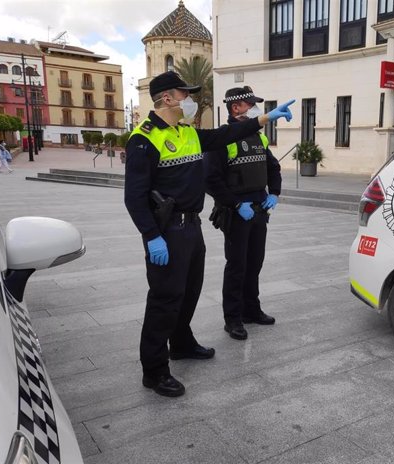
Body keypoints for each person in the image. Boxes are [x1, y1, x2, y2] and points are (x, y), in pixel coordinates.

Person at [124, 71, 294, 397]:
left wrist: (266, 118)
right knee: (164, 300)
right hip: (167, 231)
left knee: (189, 292)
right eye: (184, 94)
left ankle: (182, 344)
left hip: (192, 227)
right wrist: (151, 236)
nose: (191, 100)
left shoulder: (186, 132)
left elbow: (222, 136)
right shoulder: (144, 139)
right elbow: (134, 197)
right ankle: (155, 370)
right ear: (167, 98)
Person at [205, 87, 282, 341]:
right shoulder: (222, 139)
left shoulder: (258, 137)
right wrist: (236, 204)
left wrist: (275, 193)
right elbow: (211, 179)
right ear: (235, 107)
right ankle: (233, 318)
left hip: (259, 209)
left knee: (255, 263)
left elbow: (273, 166)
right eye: (250, 104)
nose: (255, 109)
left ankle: (252, 309)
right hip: (237, 212)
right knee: (237, 266)